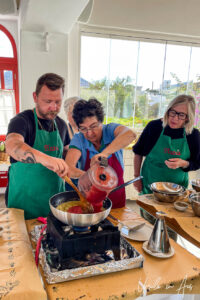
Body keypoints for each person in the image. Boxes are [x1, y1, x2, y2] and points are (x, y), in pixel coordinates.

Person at [132, 94, 200, 239]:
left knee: (169, 231)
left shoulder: (193, 135)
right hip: (149, 188)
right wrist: (137, 177)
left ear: (188, 117)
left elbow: (197, 162)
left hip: (176, 194)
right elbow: (138, 152)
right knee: (147, 228)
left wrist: (184, 163)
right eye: (172, 112)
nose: (175, 118)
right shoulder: (154, 127)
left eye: (181, 115)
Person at [5, 73, 70, 219]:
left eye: (58, 102)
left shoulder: (61, 124)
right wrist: (47, 159)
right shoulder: (22, 120)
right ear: (35, 97)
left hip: (55, 204)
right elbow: (12, 145)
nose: (53, 107)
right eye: (48, 101)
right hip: (24, 204)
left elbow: (68, 154)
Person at [65, 98, 137, 208]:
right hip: (91, 198)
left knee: (115, 224)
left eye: (93, 126)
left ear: (101, 121)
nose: (89, 133)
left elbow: (130, 134)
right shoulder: (79, 139)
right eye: (83, 129)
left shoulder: (110, 130)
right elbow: (69, 167)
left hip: (116, 195)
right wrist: (88, 176)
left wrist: (104, 154)